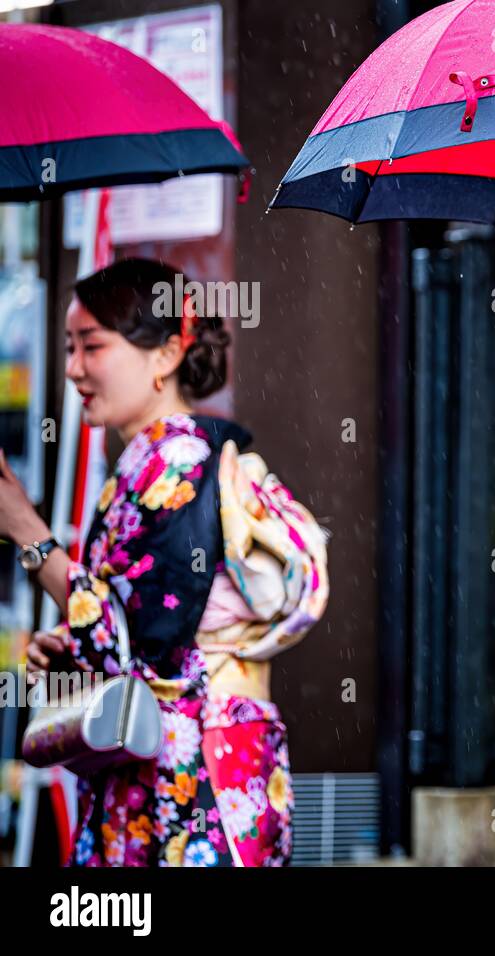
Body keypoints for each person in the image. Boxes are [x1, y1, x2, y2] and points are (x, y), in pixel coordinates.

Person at [0, 257, 327, 867]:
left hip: (191, 778)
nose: (73, 369)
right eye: (69, 346)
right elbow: (126, 632)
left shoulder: (175, 465)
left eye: (92, 346)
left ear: (167, 354)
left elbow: (140, 650)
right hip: (179, 763)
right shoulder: (154, 462)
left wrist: (29, 534)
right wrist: (72, 649)